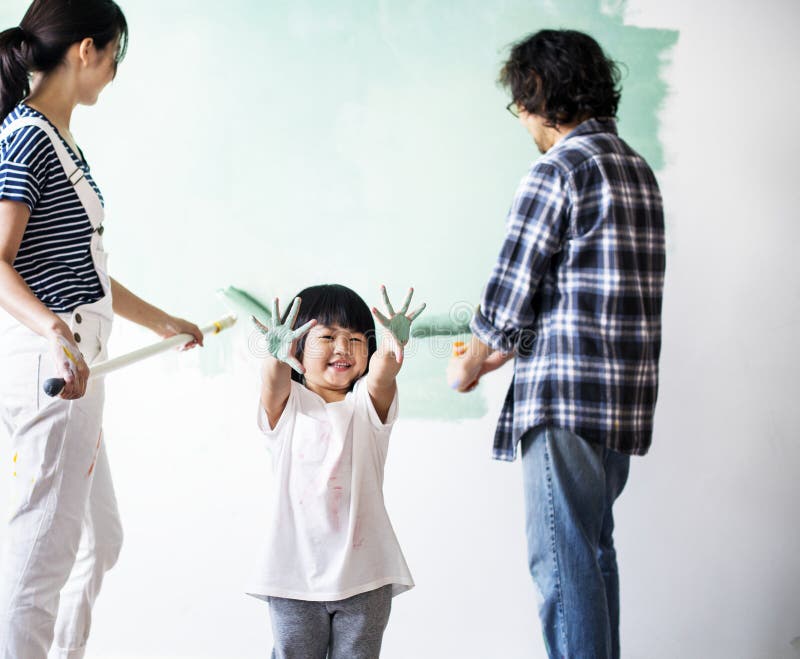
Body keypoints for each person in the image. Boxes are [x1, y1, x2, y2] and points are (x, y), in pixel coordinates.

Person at [447, 29, 665, 659]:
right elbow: (581, 292)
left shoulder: (559, 169)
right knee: (593, 554)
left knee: (563, 570)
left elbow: (508, 293)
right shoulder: (637, 171)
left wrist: (471, 362)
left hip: (565, 402)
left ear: (540, 93)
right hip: (621, 402)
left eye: (520, 101)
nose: (521, 116)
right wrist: (508, 345)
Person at [0, 2, 203, 657]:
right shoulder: (27, 136)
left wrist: (163, 321)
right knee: (42, 555)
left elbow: (84, 270)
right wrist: (55, 332)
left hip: (79, 359)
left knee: (99, 539)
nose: (114, 73)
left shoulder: (58, 140)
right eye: (116, 56)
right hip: (56, 364)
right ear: (87, 49)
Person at [248, 284, 424, 659]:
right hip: (294, 575)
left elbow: (383, 374)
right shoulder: (288, 406)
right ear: (297, 347)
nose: (343, 348)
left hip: (365, 577)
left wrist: (391, 346)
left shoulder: (366, 406)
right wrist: (276, 356)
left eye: (356, 339)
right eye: (327, 337)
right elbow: (273, 380)